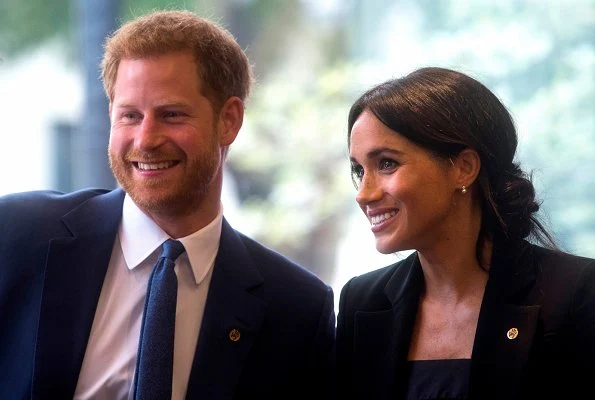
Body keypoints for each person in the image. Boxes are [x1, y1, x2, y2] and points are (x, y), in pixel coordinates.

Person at [0, 10, 335, 400]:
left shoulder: (296, 308)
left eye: (171, 115)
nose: (145, 140)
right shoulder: (17, 236)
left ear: (229, 120)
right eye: (130, 116)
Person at [336, 66, 595, 399]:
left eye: (386, 163)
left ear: (464, 168)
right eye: (359, 170)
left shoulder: (575, 293)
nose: (364, 193)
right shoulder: (362, 300)